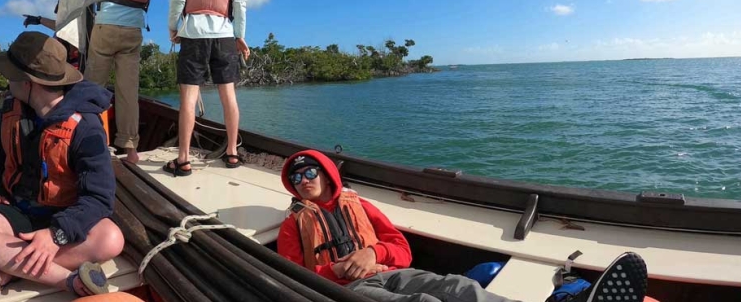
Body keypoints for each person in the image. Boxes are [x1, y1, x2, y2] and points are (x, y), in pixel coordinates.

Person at [277, 150, 650, 302]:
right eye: (296, 176)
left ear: (326, 174)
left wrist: (374, 250)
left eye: (310, 171)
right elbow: (289, 274)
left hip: (389, 272)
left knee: (460, 286)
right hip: (346, 288)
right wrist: (340, 267)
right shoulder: (295, 225)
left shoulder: (360, 206)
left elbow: (403, 251)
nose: (304, 178)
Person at [0, 31, 124, 298]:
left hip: (66, 219)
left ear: (27, 83)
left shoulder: (86, 127)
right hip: (18, 212)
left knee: (111, 239)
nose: (7, 79)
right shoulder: (13, 109)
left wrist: (55, 234)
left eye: (10, 74)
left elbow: (100, 198)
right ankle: (67, 280)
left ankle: (9, 270)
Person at [165, 0, 250, 176]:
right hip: (224, 35)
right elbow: (239, 4)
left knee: (188, 99)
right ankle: (232, 154)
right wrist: (239, 35)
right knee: (229, 96)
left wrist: (173, 26)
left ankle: (183, 160)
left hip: (193, 34)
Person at [84, 0, 151, 164]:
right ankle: (131, 151)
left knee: (92, 89)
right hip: (133, 28)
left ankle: (86, 141)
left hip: (105, 25)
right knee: (128, 94)